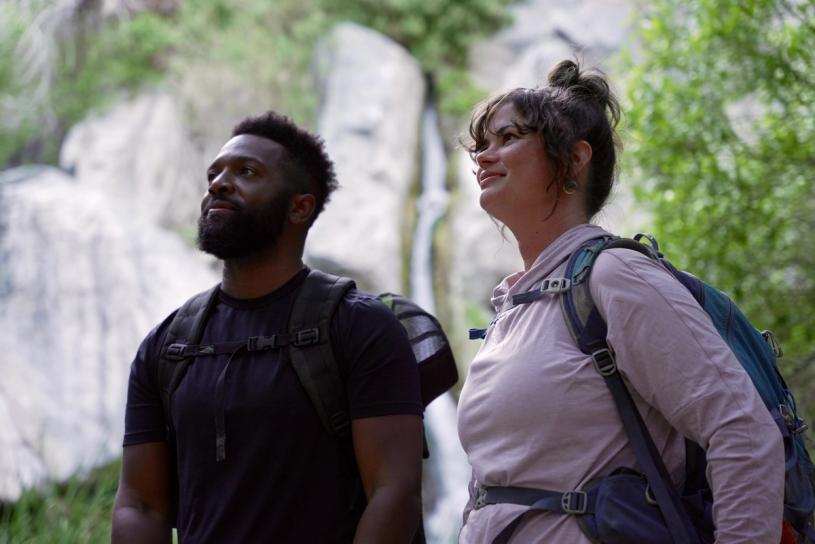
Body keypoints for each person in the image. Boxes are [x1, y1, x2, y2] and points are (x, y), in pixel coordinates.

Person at [456, 60, 785, 543]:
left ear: (573, 159)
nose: (484, 157)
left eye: (508, 138)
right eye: (482, 145)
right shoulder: (512, 309)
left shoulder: (615, 275)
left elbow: (743, 433)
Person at [112, 111, 424, 543]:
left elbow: (394, 491)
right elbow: (140, 504)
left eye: (247, 172)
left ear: (300, 206)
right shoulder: (168, 345)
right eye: (214, 173)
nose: (218, 183)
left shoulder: (359, 326)